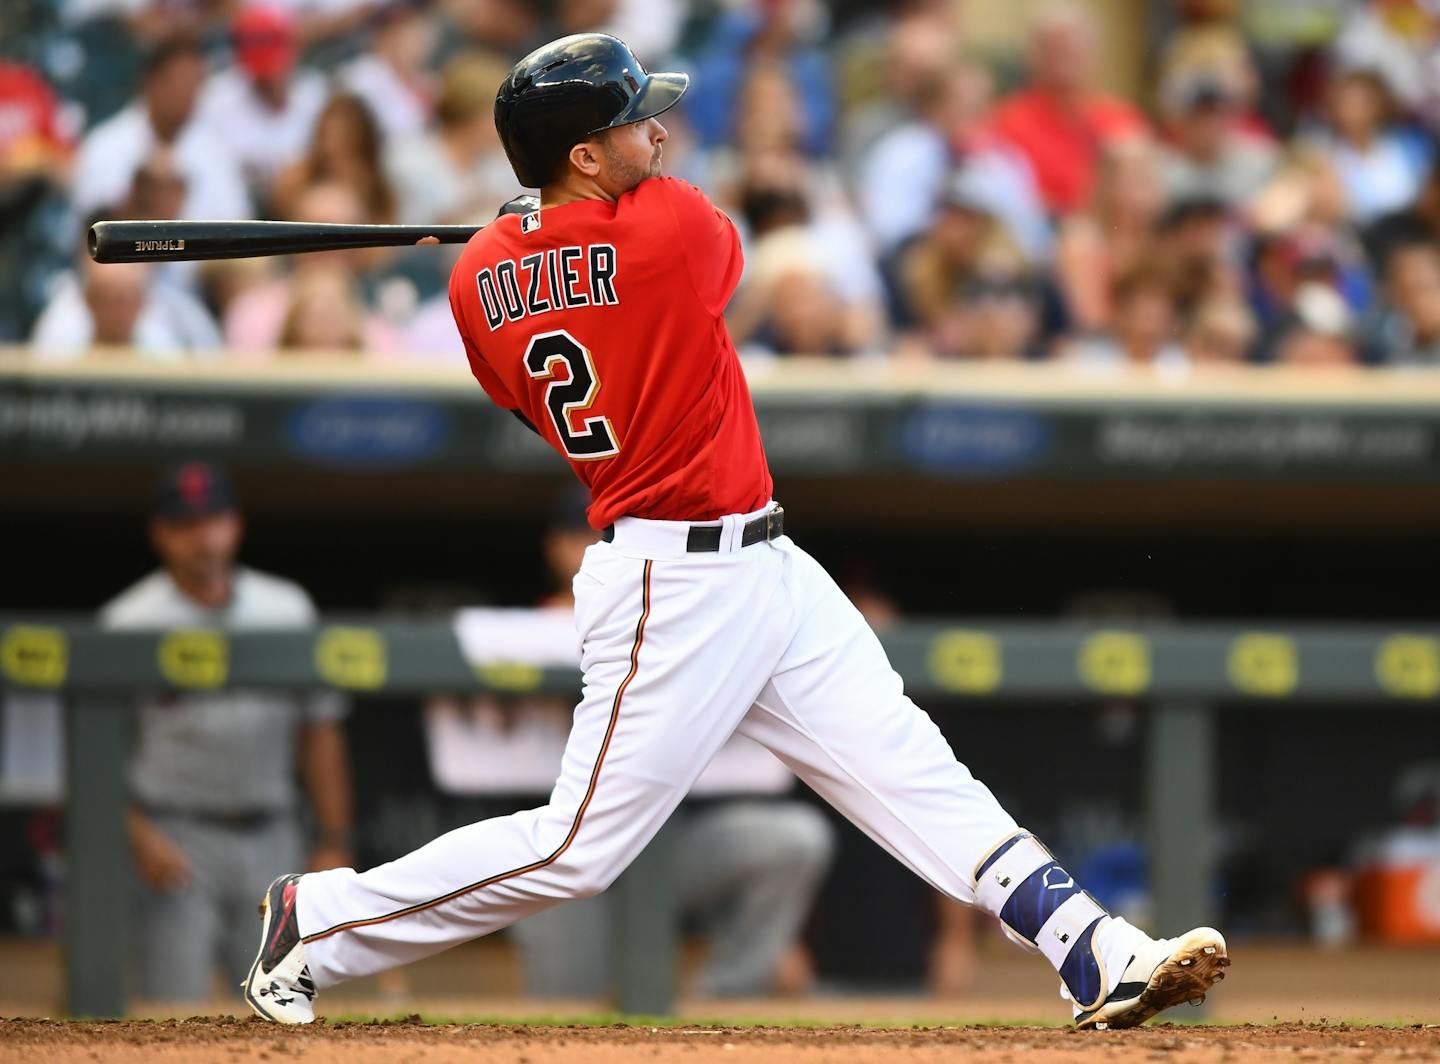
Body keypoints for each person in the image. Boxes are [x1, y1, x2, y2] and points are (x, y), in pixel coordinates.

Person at [241, 34, 1230, 1029]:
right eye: (633, 122)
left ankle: (1092, 949)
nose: (658, 132)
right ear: (583, 155)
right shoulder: (669, 227)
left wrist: (526, 238)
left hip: (764, 564)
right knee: (575, 848)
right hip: (674, 583)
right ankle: (316, 919)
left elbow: (518, 379)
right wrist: (551, 235)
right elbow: (687, 256)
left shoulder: (474, 283)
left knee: (912, 766)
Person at [430, 492, 834, 998]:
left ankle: (723, 1009)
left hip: (671, 844)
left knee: (792, 837)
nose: (602, 546)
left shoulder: (695, 621)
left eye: (614, 533)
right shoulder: (519, 631)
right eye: (585, 535)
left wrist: (782, 936)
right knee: (566, 1013)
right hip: (561, 851)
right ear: (555, 546)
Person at [104, 462, 353, 1003]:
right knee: (172, 1017)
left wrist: (334, 838)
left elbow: (320, 731)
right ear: (160, 533)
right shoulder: (129, 621)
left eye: (213, 519)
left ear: (235, 524)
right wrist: (137, 833)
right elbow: (94, 749)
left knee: (284, 1007)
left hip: (272, 832)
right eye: (185, 523)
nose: (203, 537)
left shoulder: (286, 609)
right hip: (177, 835)